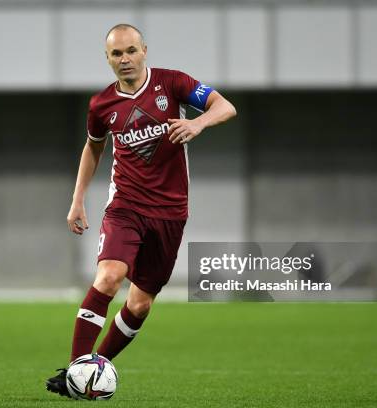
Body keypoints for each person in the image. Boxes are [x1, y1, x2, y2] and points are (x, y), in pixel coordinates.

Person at [46, 23, 236, 397]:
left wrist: (198, 122)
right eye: (117, 54)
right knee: (109, 278)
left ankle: (90, 373)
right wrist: (77, 198)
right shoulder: (101, 105)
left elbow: (225, 106)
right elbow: (93, 147)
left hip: (170, 213)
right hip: (126, 207)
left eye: (131, 50)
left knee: (140, 304)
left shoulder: (173, 84)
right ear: (108, 59)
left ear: (144, 50)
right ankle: (77, 373)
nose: (125, 59)